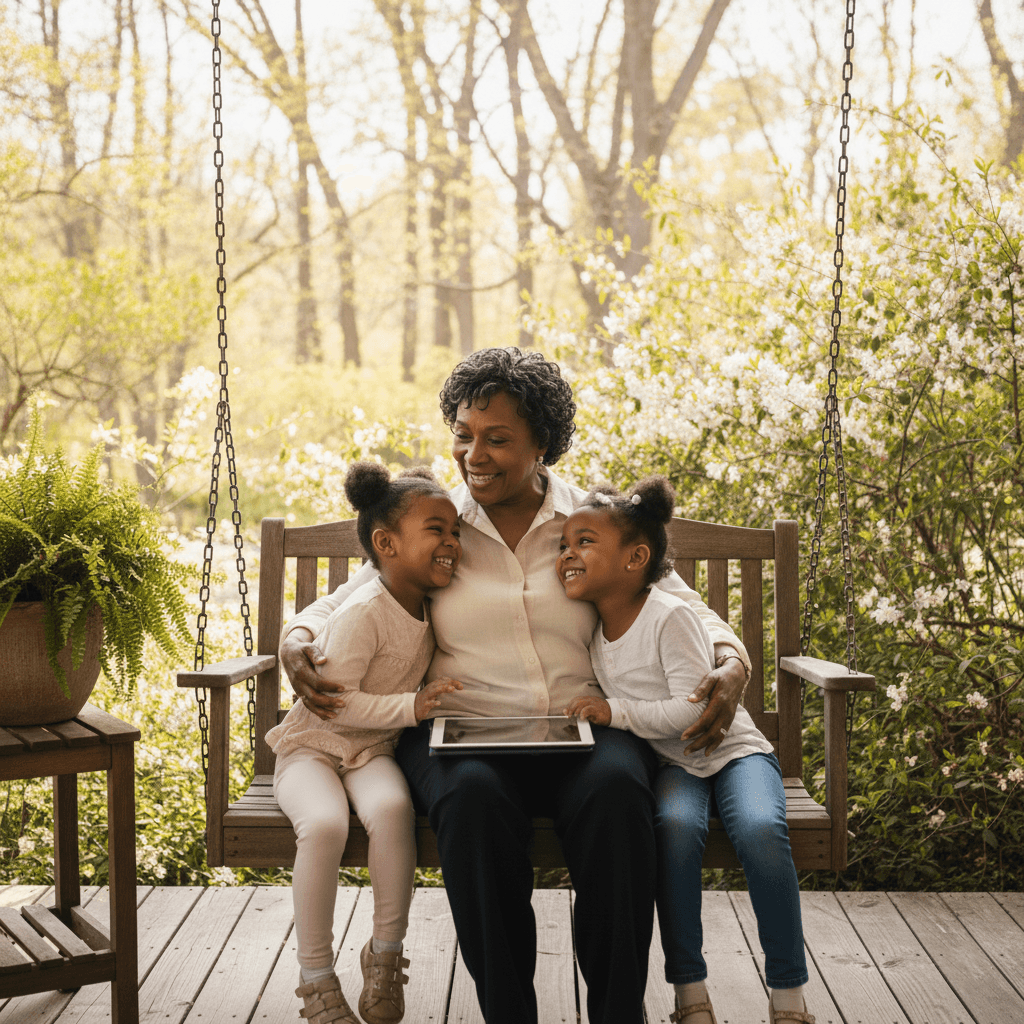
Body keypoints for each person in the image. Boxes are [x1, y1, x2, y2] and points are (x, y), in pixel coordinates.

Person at [280, 348, 752, 1024]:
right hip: (462, 733)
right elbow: (351, 597)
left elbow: (682, 604)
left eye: (497, 439)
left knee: (620, 794)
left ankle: (619, 1013)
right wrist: (295, 639)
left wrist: (732, 660)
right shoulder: (438, 521)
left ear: (543, 446)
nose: (475, 454)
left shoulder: (591, 521)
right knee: (470, 801)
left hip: (581, 727)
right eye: (465, 435)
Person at [560, 477, 813, 1024]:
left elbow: (693, 710)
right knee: (674, 831)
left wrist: (614, 712)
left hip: (735, 753)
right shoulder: (595, 629)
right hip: (676, 764)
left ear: (636, 558)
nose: (568, 554)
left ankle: (789, 994)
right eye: (564, 544)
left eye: (583, 543)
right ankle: (689, 993)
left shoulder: (669, 614)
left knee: (759, 829)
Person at [266, 462, 464, 1024]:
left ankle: (384, 953)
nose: (452, 543)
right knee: (324, 824)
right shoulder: (363, 612)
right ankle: (316, 978)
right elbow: (334, 700)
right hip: (312, 747)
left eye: (455, 531)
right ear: (386, 544)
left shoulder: (427, 601)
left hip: (370, 750)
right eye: (437, 531)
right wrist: (414, 707)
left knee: (393, 808)